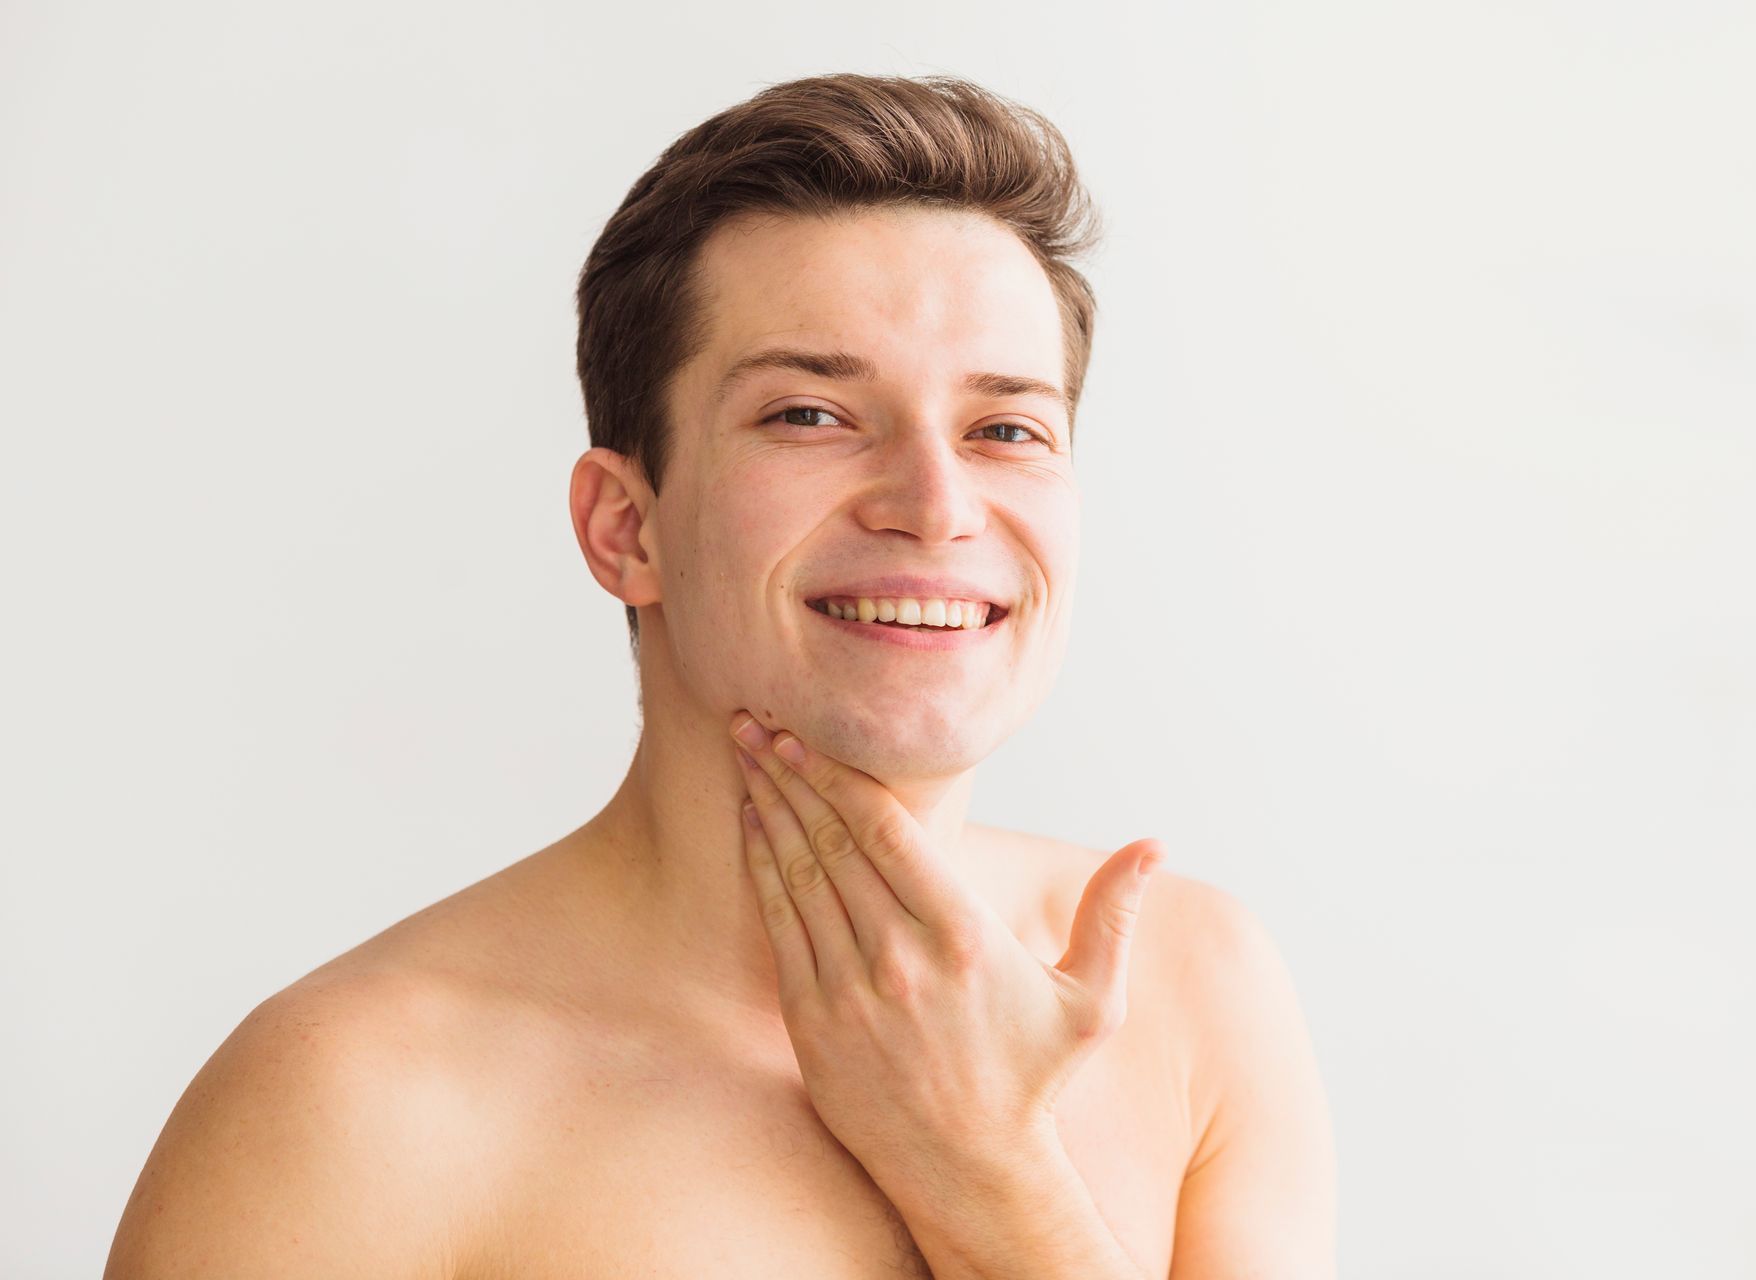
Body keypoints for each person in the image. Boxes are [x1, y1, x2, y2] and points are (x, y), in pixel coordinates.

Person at [105, 72, 1336, 1278]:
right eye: (810, 414)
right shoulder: (354, 1110)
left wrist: (992, 1173)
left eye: (1005, 428)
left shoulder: (1190, 991)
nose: (936, 504)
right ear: (624, 527)